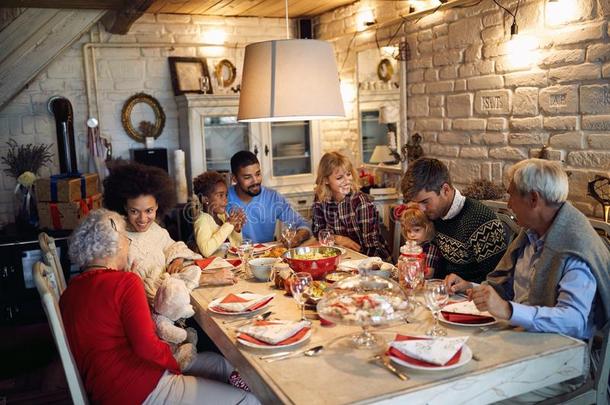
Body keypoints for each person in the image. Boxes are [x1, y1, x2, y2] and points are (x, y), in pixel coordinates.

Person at [445, 159, 610, 403]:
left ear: (533, 199)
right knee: (454, 365)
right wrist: (473, 287)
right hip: (528, 341)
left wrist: (508, 309)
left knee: (474, 393)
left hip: (571, 361)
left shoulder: (575, 247)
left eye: (512, 196)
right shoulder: (533, 232)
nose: (509, 204)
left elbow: (574, 320)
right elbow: (511, 287)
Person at [60, 209, 260, 405]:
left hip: (106, 388)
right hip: (139, 389)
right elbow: (147, 347)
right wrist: (175, 364)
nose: (127, 246)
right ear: (115, 245)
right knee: (248, 400)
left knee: (220, 364)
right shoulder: (125, 283)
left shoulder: (70, 293)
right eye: (125, 239)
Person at [103, 162, 236, 304]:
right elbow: (151, 291)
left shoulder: (155, 230)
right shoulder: (119, 241)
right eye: (134, 211)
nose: (142, 219)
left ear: (157, 207)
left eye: (149, 211)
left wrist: (177, 259)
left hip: (173, 305)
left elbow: (175, 247)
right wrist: (206, 279)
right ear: (124, 207)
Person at [401, 157, 507, 283]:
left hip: (470, 297)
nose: (421, 209)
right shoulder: (432, 215)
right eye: (417, 203)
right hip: (439, 290)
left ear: (445, 190)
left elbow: (499, 281)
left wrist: (468, 285)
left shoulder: (481, 221)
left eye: (425, 202)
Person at [312, 151, 391, 260]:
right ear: (326, 180)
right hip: (341, 258)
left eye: (348, 174)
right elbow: (318, 232)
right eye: (339, 177)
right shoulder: (320, 198)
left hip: (371, 261)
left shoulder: (361, 202)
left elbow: (371, 247)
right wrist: (339, 239)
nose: (347, 180)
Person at [227, 151, 311, 245]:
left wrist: (298, 238)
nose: (255, 181)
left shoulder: (272, 197)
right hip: (234, 257)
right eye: (247, 177)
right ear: (234, 178)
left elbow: (303, 224)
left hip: (267, 256)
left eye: (258, 174)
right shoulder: (224, 199)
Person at [193, 171, 245, 257]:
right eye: (220, 195)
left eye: (226, 195)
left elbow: (236, 246)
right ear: (205, 199)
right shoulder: (202, 220)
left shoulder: (222, 217)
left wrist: (236, 230)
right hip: (213, 268)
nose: (225, 200)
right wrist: (229, 225)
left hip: (229, 264)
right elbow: (206, 251)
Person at [399, 202, 442, 278]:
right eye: (409, 231)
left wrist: (408, 268)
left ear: (427, 228)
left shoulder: (431, 248)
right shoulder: (409, 248)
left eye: (417, 230)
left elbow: (429, 274)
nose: (412, 235)